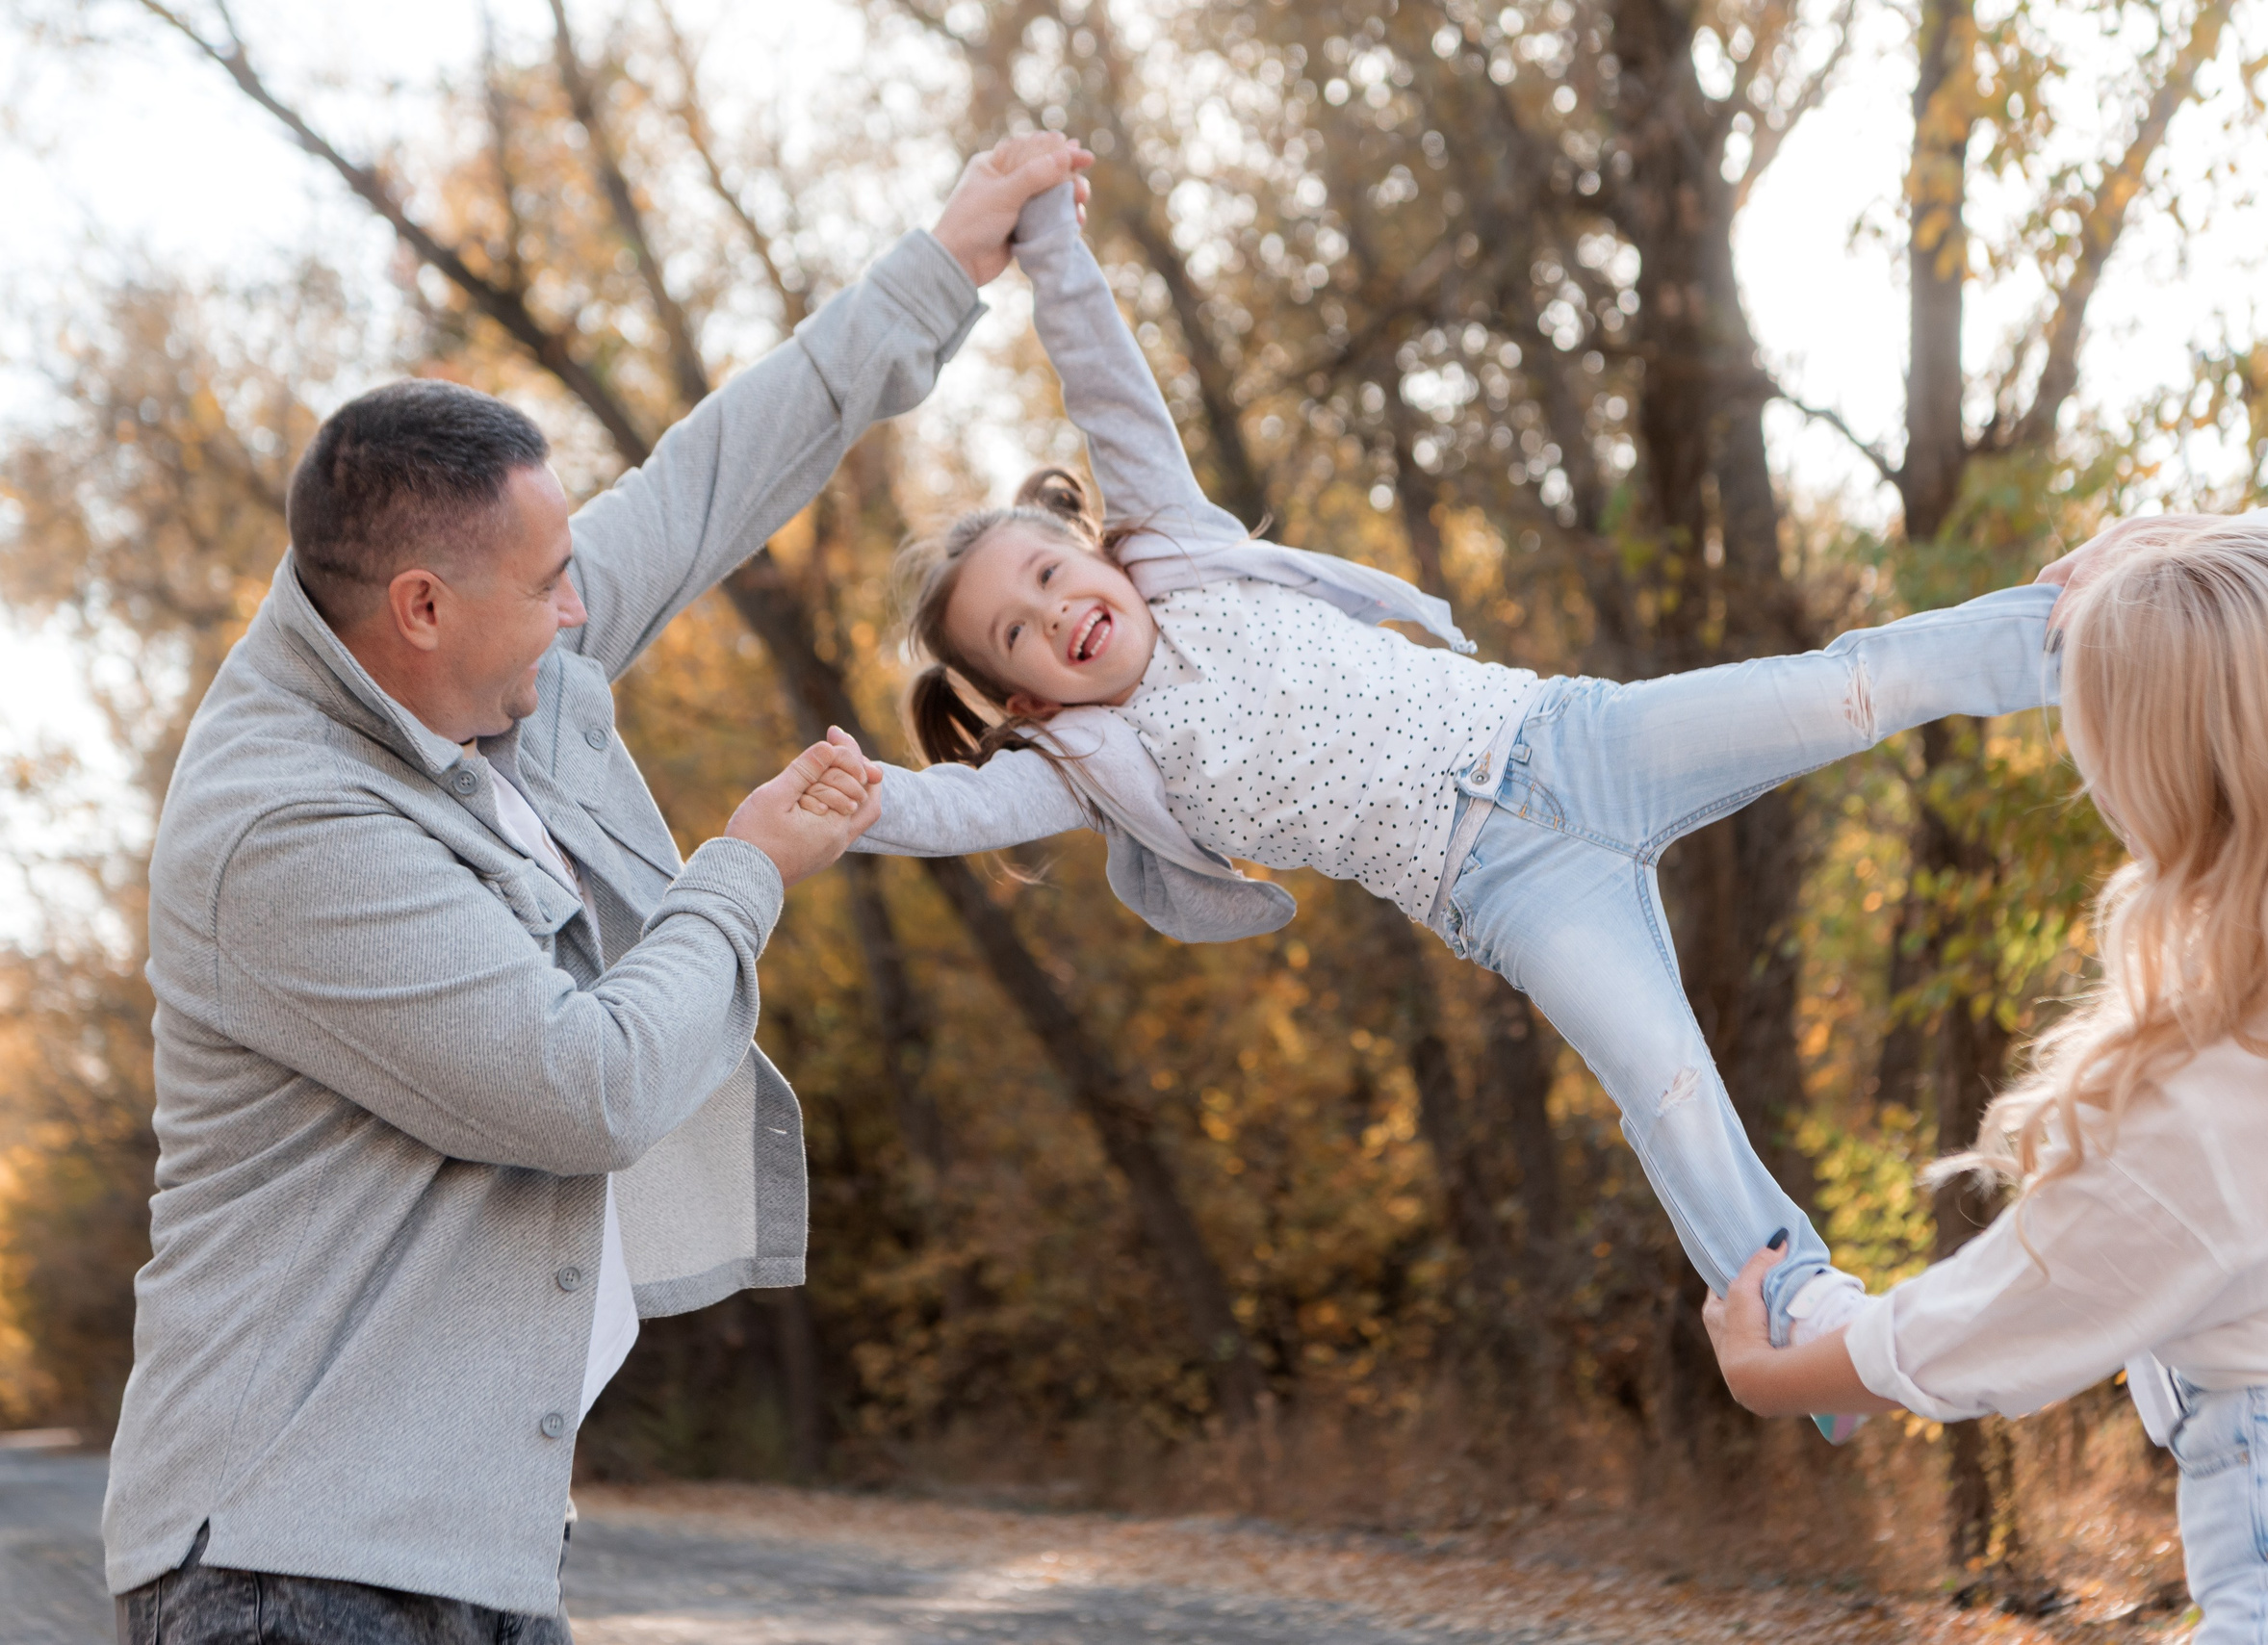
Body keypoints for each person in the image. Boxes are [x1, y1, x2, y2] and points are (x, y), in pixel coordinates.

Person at [105, 134, 1092, 1644]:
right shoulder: (284, 823)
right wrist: (746, 868)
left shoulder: (486, 657)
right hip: (290, 1572)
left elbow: (705, 482)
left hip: (465, 1558)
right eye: (551, 580)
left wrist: (943, 263)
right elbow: (587, 1085)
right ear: (422, 607)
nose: (584, 605)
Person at [840, 172, 2063, 1379]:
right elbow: (960, 805)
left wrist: (1050, 237)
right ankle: (1797, 1305)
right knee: (1665, 1079)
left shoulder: (1188, 554)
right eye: (1016, 632)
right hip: (1507, 890)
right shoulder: (1088, 763)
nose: (1055, 613)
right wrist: (858, 803)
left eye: (1050, 576)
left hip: (1570, 738)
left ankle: (2065, 634)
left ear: (1094, 551)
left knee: (1843, 686)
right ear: (1026, 698)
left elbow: (1109, 385)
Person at [1702, 512, 2268, 1641]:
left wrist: (1777, 1372)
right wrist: (2192, 542)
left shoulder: (2218, 1093)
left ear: (2168, 787)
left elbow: (1998, 1318)